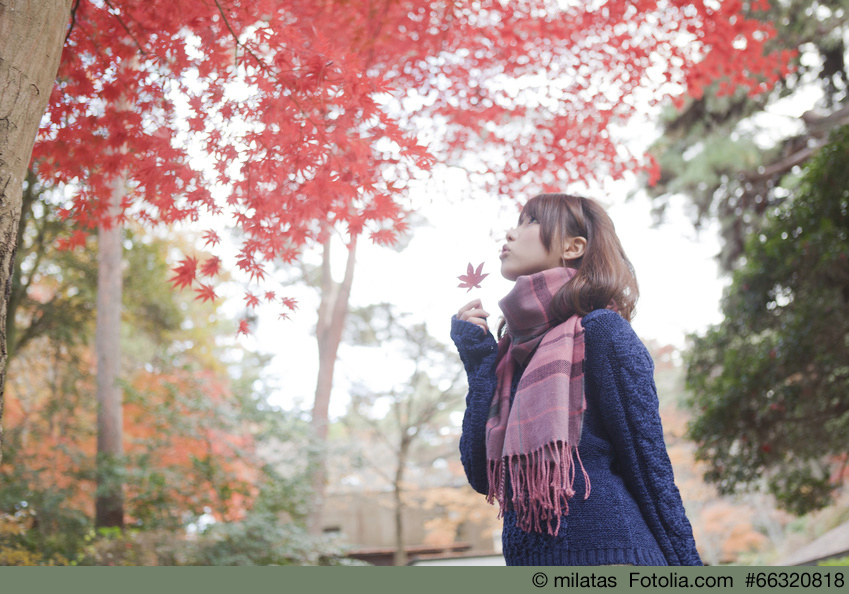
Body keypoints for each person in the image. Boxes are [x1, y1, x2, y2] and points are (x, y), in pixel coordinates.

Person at [451, 193, 702, 566]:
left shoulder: (601, 331)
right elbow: (484, 478)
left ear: (574, 246)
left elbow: (649, 466)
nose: (510, 232)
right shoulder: (509, 352)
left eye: (530, 221)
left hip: (616, 556)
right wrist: (479, 362)